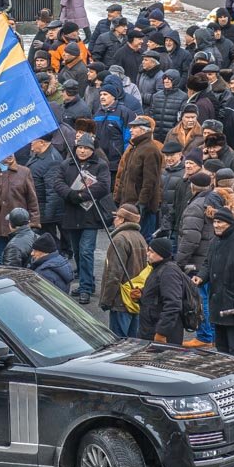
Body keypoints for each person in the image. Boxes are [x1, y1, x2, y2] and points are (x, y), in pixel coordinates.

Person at [54, 135, 112, 304]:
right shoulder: (66, 164)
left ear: (92, 150)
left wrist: (82, 195)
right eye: (80, 147)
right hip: (71, 214)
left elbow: (103, 186)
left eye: (86, 148)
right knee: (78, 251)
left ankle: (86, 287)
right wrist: (71, 194)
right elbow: (57, 183)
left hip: (91, 216)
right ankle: (87, 281)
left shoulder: (100, 165)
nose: (82, 150)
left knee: (86, 250)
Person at [198, 208, 234, 366]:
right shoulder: (215, 241)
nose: (216, 225)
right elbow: (207, 264)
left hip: (233, 303)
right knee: (221, 347)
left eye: (219, 222)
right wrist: (201, 277)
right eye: (215, 222)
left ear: (229, 223)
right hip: (217, 302)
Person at [99, 203, 148, 337]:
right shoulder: (140, 237)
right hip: (134, 296)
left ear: (122, 219)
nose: (114, 219)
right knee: (133, 342)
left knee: (119, 342)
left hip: (121, 300)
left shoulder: (120, 239)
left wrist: (106, 300)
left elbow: (114, 273)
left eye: (117, 217)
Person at [137, 237, 186, 344]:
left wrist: (162, 333)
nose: (148, 254)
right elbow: (156, 298)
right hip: (150, 328)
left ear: (161, 254)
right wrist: (141, 296)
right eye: (148, 250)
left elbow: (173, 305)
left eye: (151, 251)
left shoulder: (169, 272)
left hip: (161, 334)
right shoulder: (157, 268)